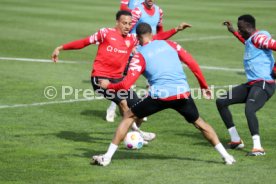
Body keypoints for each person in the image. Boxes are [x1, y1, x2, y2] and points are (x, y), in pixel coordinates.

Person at [91, 22, 236, 166]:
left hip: (160, 96)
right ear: (151, 34)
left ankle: (107, 157)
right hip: (182, 94)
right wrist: (204, 86)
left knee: (128, 115)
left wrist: (108, 85)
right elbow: (192, 63)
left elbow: (125, 85)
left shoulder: (140, 55)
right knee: (200, 123)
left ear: (138, 38)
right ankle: (226, 156)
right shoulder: (171, 44)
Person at [52, 10, 189, 143]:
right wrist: (61, 48)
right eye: (124, 23)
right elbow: (84, 42)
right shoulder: (105, 33)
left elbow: (155, 38)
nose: (127, 26)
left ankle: (133, 133)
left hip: (118, 80)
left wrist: (176, 29)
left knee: (139, 107)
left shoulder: (132, 39)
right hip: (101, 79)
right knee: (123, 102)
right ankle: (137, 134)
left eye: (130, 24)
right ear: (117, 22)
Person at [217, 14, 276, 156]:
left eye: (240, 27)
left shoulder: (259, 37)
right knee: (221, 101)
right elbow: (246, 41)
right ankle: (236, 140)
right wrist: (233, 32)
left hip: (264, 83)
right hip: (251, 84)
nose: (239, 29)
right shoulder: (252, 39)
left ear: (249, 27)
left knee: (249, 110)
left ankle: (258, 148)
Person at [105, 0, 145, 123]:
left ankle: (139, 108)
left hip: (144, 42)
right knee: (126, 81)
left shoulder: (153, 7)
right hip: (130, 43)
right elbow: (123, 12)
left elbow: (157, 26)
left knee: (148, 79)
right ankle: (113, 109)